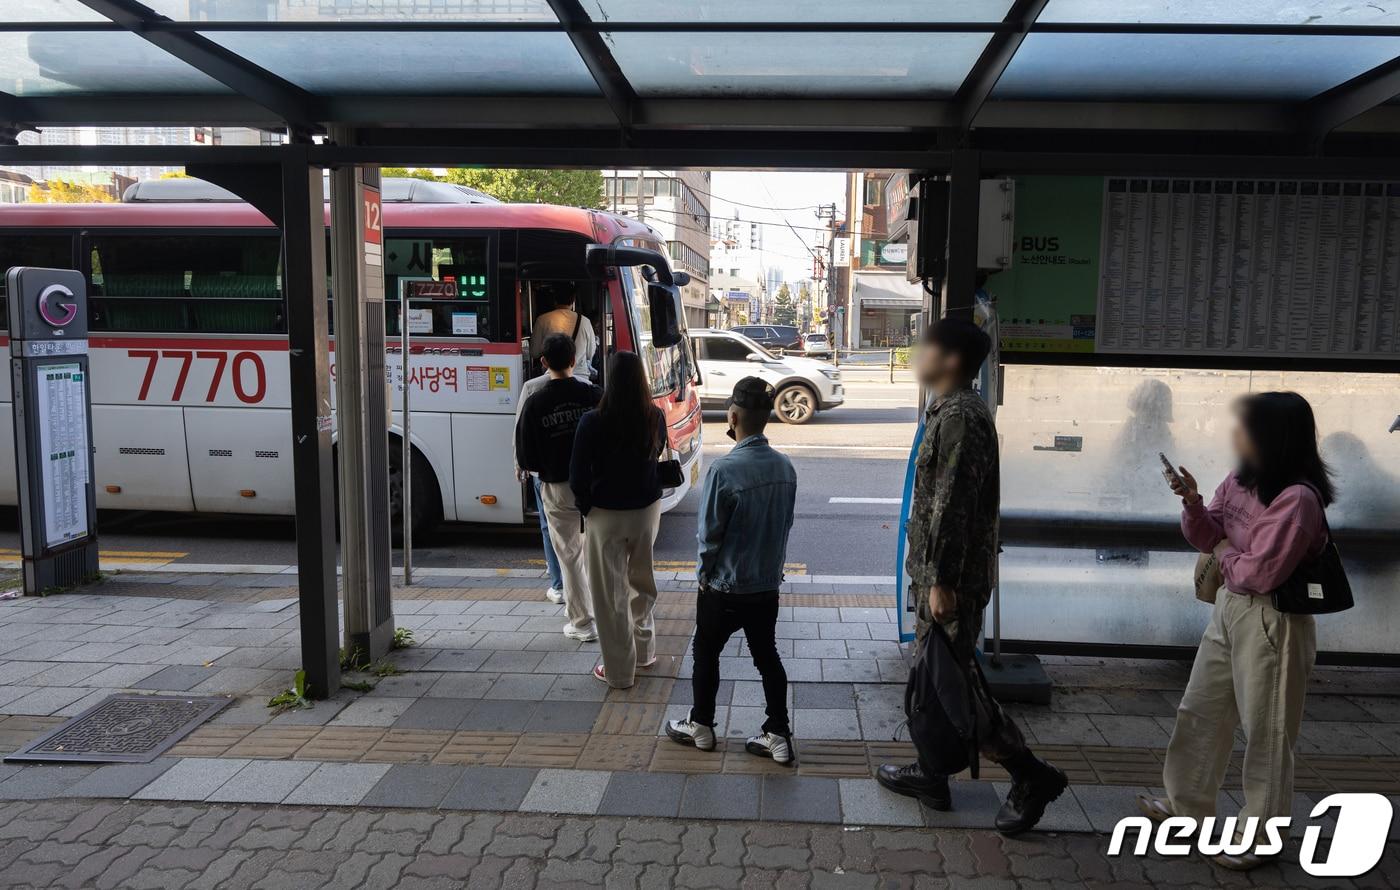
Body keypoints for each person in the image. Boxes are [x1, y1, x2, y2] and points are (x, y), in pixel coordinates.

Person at [876, 318, 1067, 836]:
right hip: (944, 577)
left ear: (952, 361)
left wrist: (939, 581)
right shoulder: (948, 410)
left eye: (927, 348)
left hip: (951, 583)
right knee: (937, 683)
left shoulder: (961, 416)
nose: (918, 355)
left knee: (955, 689)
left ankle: (1031, 775)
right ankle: (932, 775)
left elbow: (952, 505)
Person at [1144, 391, 1331, 870]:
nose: (1237, 434)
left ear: (1273, 437)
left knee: (1267, 729)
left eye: (1246, 427)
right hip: (1231, 607)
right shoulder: (1242, 479)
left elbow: (1260, 573)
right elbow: (1208, 536)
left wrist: (1226, 553)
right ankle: (1188, 806)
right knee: (1201, 709)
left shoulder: (1297, 501)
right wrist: (1193, 503)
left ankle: (1261, 835)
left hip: (1274, 619)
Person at [666, 377, 798, 764]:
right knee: (767, 656)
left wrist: (704, 578)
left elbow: (709, 536)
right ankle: (778, 733)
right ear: (767, 417)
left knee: (706, 651)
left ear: (734, 416)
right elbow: (784, 527)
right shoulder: (785, 468)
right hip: (765, 587)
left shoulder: (724, 470)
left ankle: (702, 726)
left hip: (724, 587)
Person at [570, 351, 666, 689]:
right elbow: (658, 454)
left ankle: (620, 673)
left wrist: (587, 506)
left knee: (610, 594)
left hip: (605, 514)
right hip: (646, 512)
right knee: (642, 580)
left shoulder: (592, 421)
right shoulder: (654, 415)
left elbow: (577, 475)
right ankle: (645, 651)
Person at [514, 333, 602, 643]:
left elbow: (526, 456)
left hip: (557, 486)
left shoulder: (536, 401)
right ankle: (606, 616)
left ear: (543, 363)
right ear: (575, 360)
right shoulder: (593, 396)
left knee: (569, 555)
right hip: (596, 486)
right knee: (596, 553)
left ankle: (582, 623)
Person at [531, 281, 598, 380]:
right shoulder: (585, 322)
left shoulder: (542, 320)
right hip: (580, 377)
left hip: (551, 378)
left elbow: (534, 352)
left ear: (554, 299)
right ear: (573, 300)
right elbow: (590, 353)